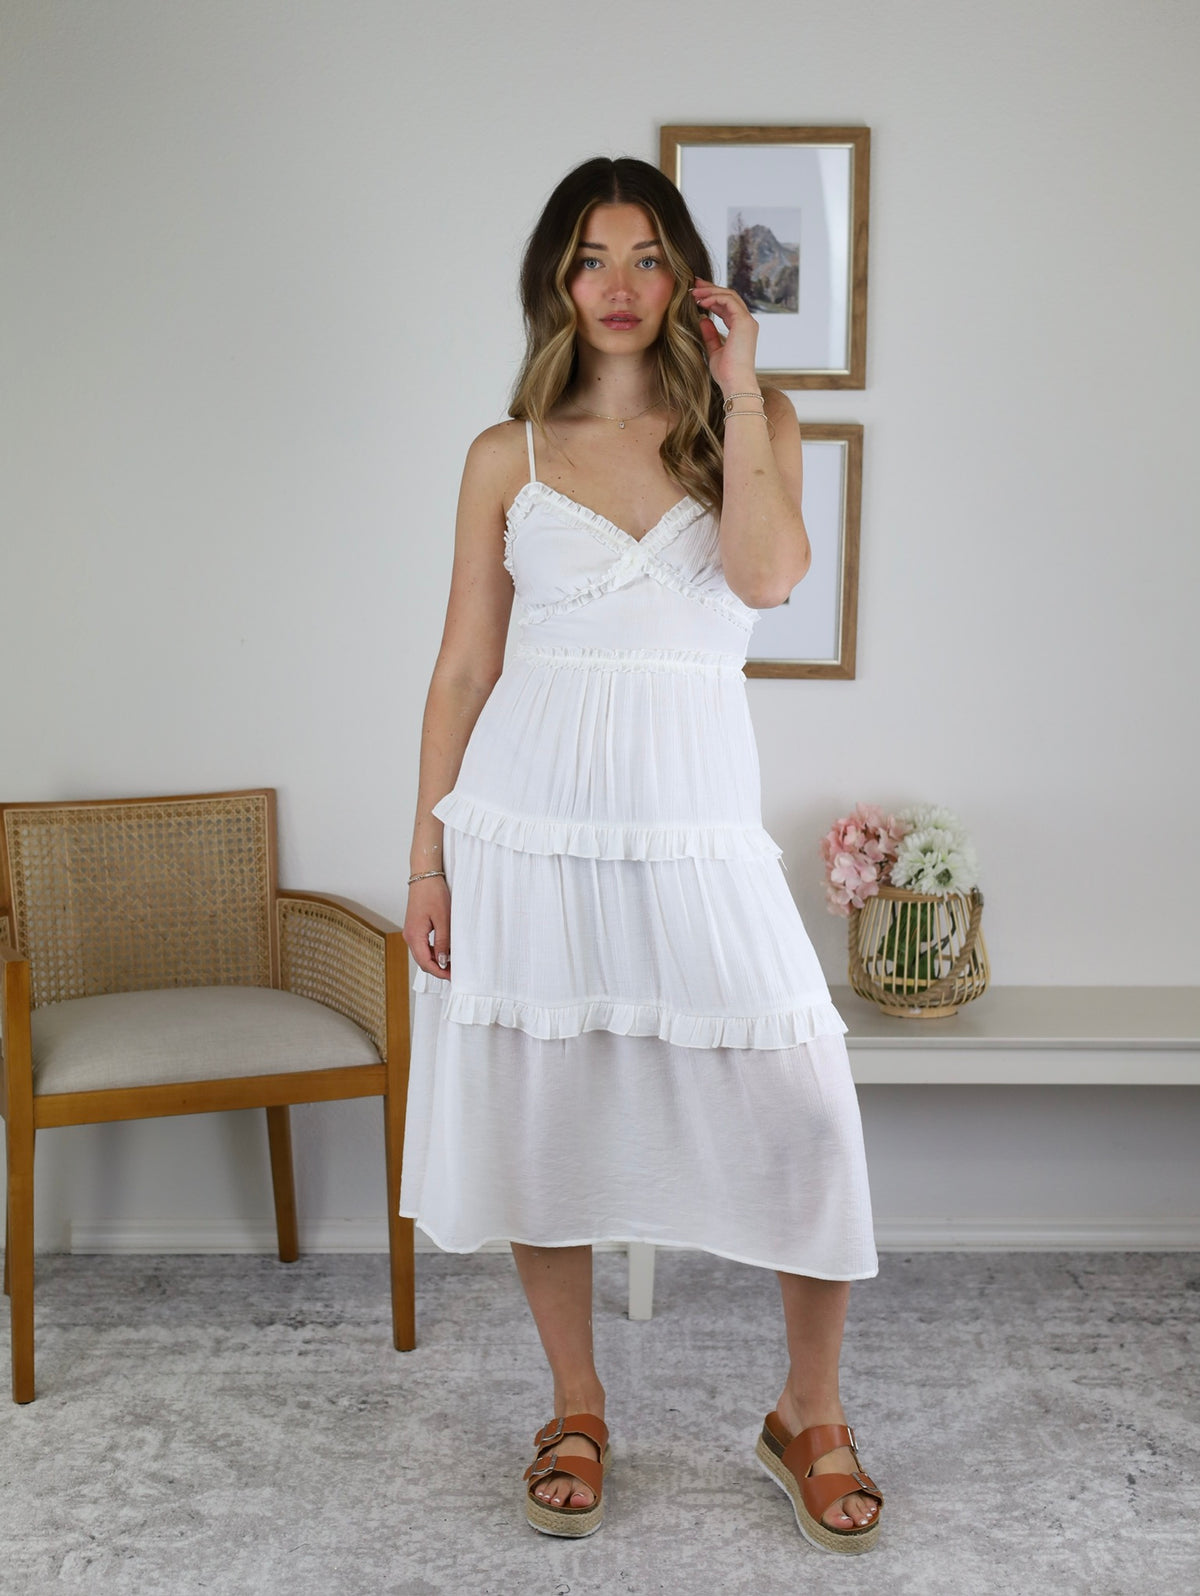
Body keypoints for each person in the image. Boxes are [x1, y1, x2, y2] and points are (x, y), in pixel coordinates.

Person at [399, 156, 884, 1555]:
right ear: (557, 279)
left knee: (805, 1112)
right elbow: (462, 668)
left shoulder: (754, 422)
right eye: (591, 257)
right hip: (525, 827)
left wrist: (741, 390)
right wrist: (427, 863)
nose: (618, 285)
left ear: (687, 277)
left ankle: (809, 1412)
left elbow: (768, 577)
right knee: (542, 1118)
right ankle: (575, 1403)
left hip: (694, 828)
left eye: (646, 256)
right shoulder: (508, 454)